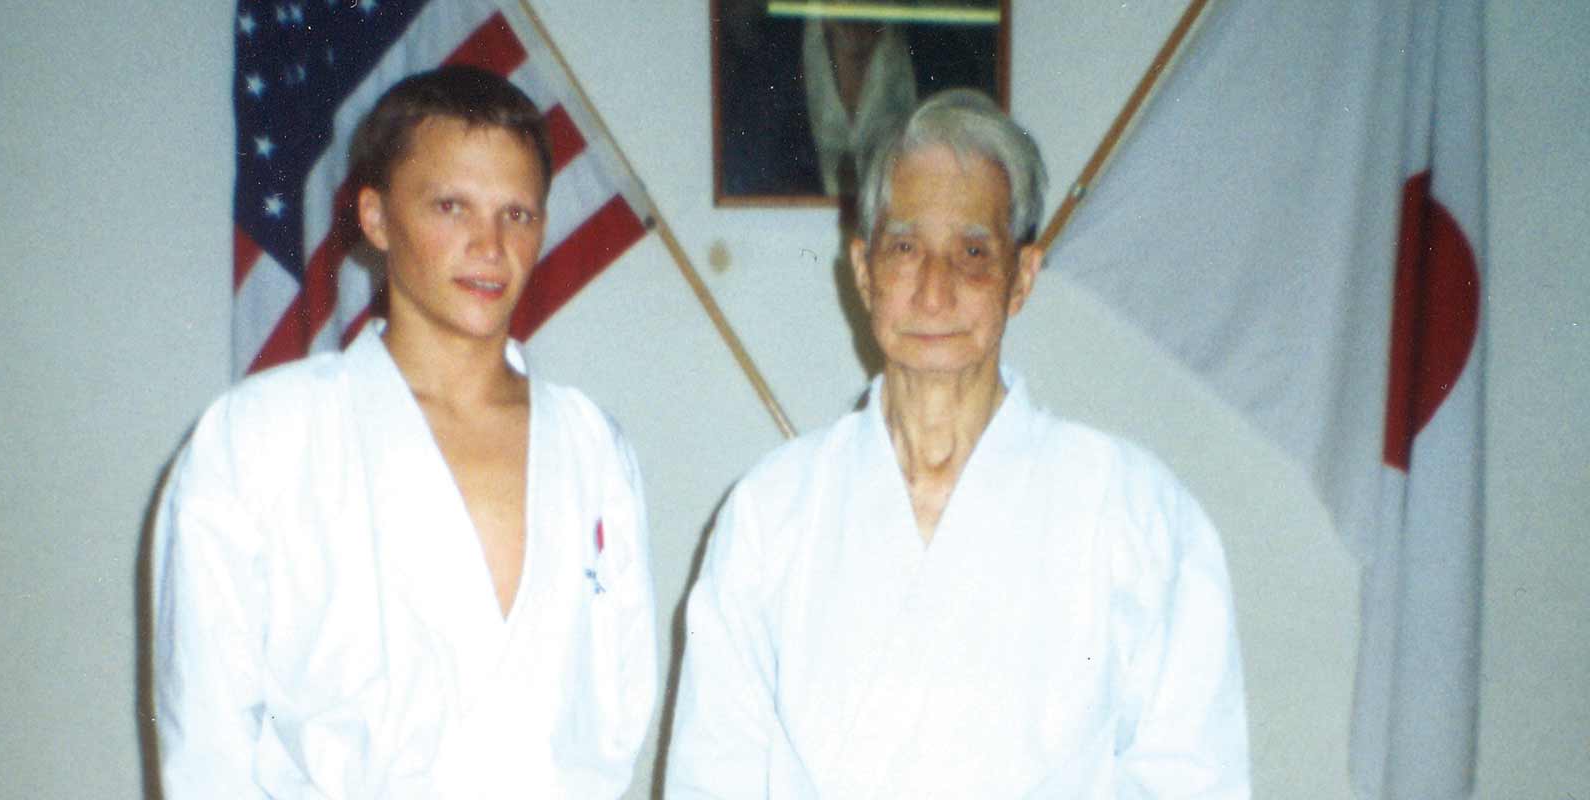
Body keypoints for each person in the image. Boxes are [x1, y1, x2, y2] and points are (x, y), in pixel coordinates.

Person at [666, 89, 1250, 797]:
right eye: (906, 248)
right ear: (863, 271)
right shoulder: (772, 512)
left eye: (973, 253)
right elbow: (715, 776)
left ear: (1021, 278)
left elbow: (1191, 778)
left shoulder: (1135, 512)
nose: (935, 292)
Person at [151, 66, 656, 797]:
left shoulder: (592, 447)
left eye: (517, 214)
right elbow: (207, 747)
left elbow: (618, 719)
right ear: (377, 217)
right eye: (452, 206)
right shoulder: (260, 439)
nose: (489, 245)